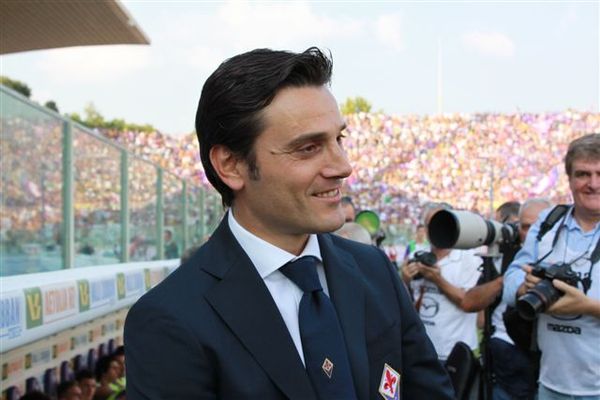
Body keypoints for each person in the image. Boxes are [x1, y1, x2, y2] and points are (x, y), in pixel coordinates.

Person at [125, 47, 454, 399]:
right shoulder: (170, 319)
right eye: (308, 148)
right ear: (232, 165)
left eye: (338, 139)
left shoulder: (374, 270)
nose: (343, 166)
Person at [503, 133, 600, 400]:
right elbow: (511, 276)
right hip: (550, 383)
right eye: (583, 174)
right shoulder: (549, 222)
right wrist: (524, 288)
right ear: (569, 179)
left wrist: (589, 307)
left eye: (599, 173)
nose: (593, 184)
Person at [462, 198, 552, 400]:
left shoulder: (567, 255)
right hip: (508, 352)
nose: (531, 233)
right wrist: (509, 280)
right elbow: (469, 303)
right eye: (525, 226)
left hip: (552, 356)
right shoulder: (503, 257)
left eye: (538, 226)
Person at [402, 203, 481, 361]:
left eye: (441, 222)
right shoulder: (417, 257)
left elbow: (469, 302)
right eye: (430, 224)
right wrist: (404, 282)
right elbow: (407, 308)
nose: (436, 228)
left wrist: (437, 280)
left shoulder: (470, 259)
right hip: (423, 349)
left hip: (455, 353)